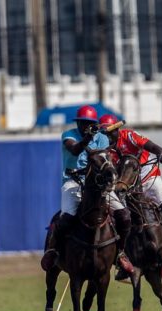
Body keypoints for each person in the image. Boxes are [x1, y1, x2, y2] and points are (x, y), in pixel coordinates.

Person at [40, 106, 135, 279]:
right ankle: (53, 251)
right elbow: (75, 149)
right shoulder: (68, 135)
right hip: (73, 182)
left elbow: (104, 160)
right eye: (83, 123)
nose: (85, 126)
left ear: (94, 124)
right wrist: (87, 137)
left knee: (124, 216)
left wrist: (94, 137)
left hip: (98, 185)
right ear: (78, 123)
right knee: (67, 217)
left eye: (89, 123)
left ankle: (120, 253)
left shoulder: (102, 139)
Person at [98, 114, 162, 261]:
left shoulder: (129, 135)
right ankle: (122, 255)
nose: (107, 137)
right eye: (104, 134)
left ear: (117, 130)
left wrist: (160, 154)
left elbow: (152, 146)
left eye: (110, 133)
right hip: (126, 185)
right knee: (118, 217)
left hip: (149, 178)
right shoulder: (106, 150)